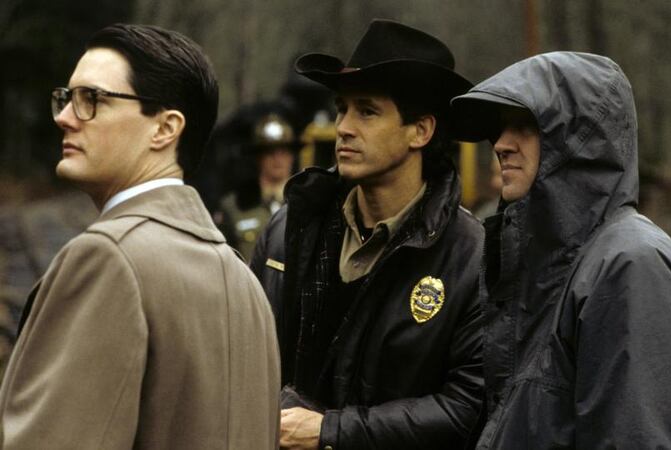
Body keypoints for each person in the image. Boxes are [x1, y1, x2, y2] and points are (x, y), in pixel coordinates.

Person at [0, 24, 280, 449]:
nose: (64, 117)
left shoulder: (107, 258)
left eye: (92, 99)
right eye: (66, 97)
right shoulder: (245, 283)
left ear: (165, 129)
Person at [450, 51, 671, 448]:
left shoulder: (632, 266)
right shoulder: (545, 265)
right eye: (500, 128)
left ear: (579, 139)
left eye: (524, 125)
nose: (500, 144)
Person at [249, 19, 484, 449]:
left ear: (421, 131)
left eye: (367, 111)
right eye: (342, 109)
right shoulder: (289, 228)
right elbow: (246, 357)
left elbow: (466, 407)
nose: (343, 127)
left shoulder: (469, 256)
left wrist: (330, 431)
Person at [217, 112, 300, 261]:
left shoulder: (307, 203)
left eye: (284, 150)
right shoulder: (234, 207)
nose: (277, 158)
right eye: (270, 151)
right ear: (258, 157)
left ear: (292, 155)